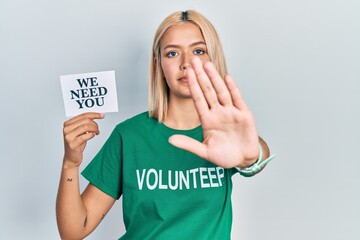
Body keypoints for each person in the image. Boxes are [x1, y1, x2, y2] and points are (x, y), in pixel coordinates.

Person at [56, 9, 274, 240]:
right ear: (158, 64)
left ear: (213, 59)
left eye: (198, 51)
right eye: (172, 54)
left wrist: (248, 158)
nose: (186, 64)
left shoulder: (224, 131)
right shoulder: (129, 135)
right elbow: (74, 230)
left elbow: (256, 156)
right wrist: (70, 163)